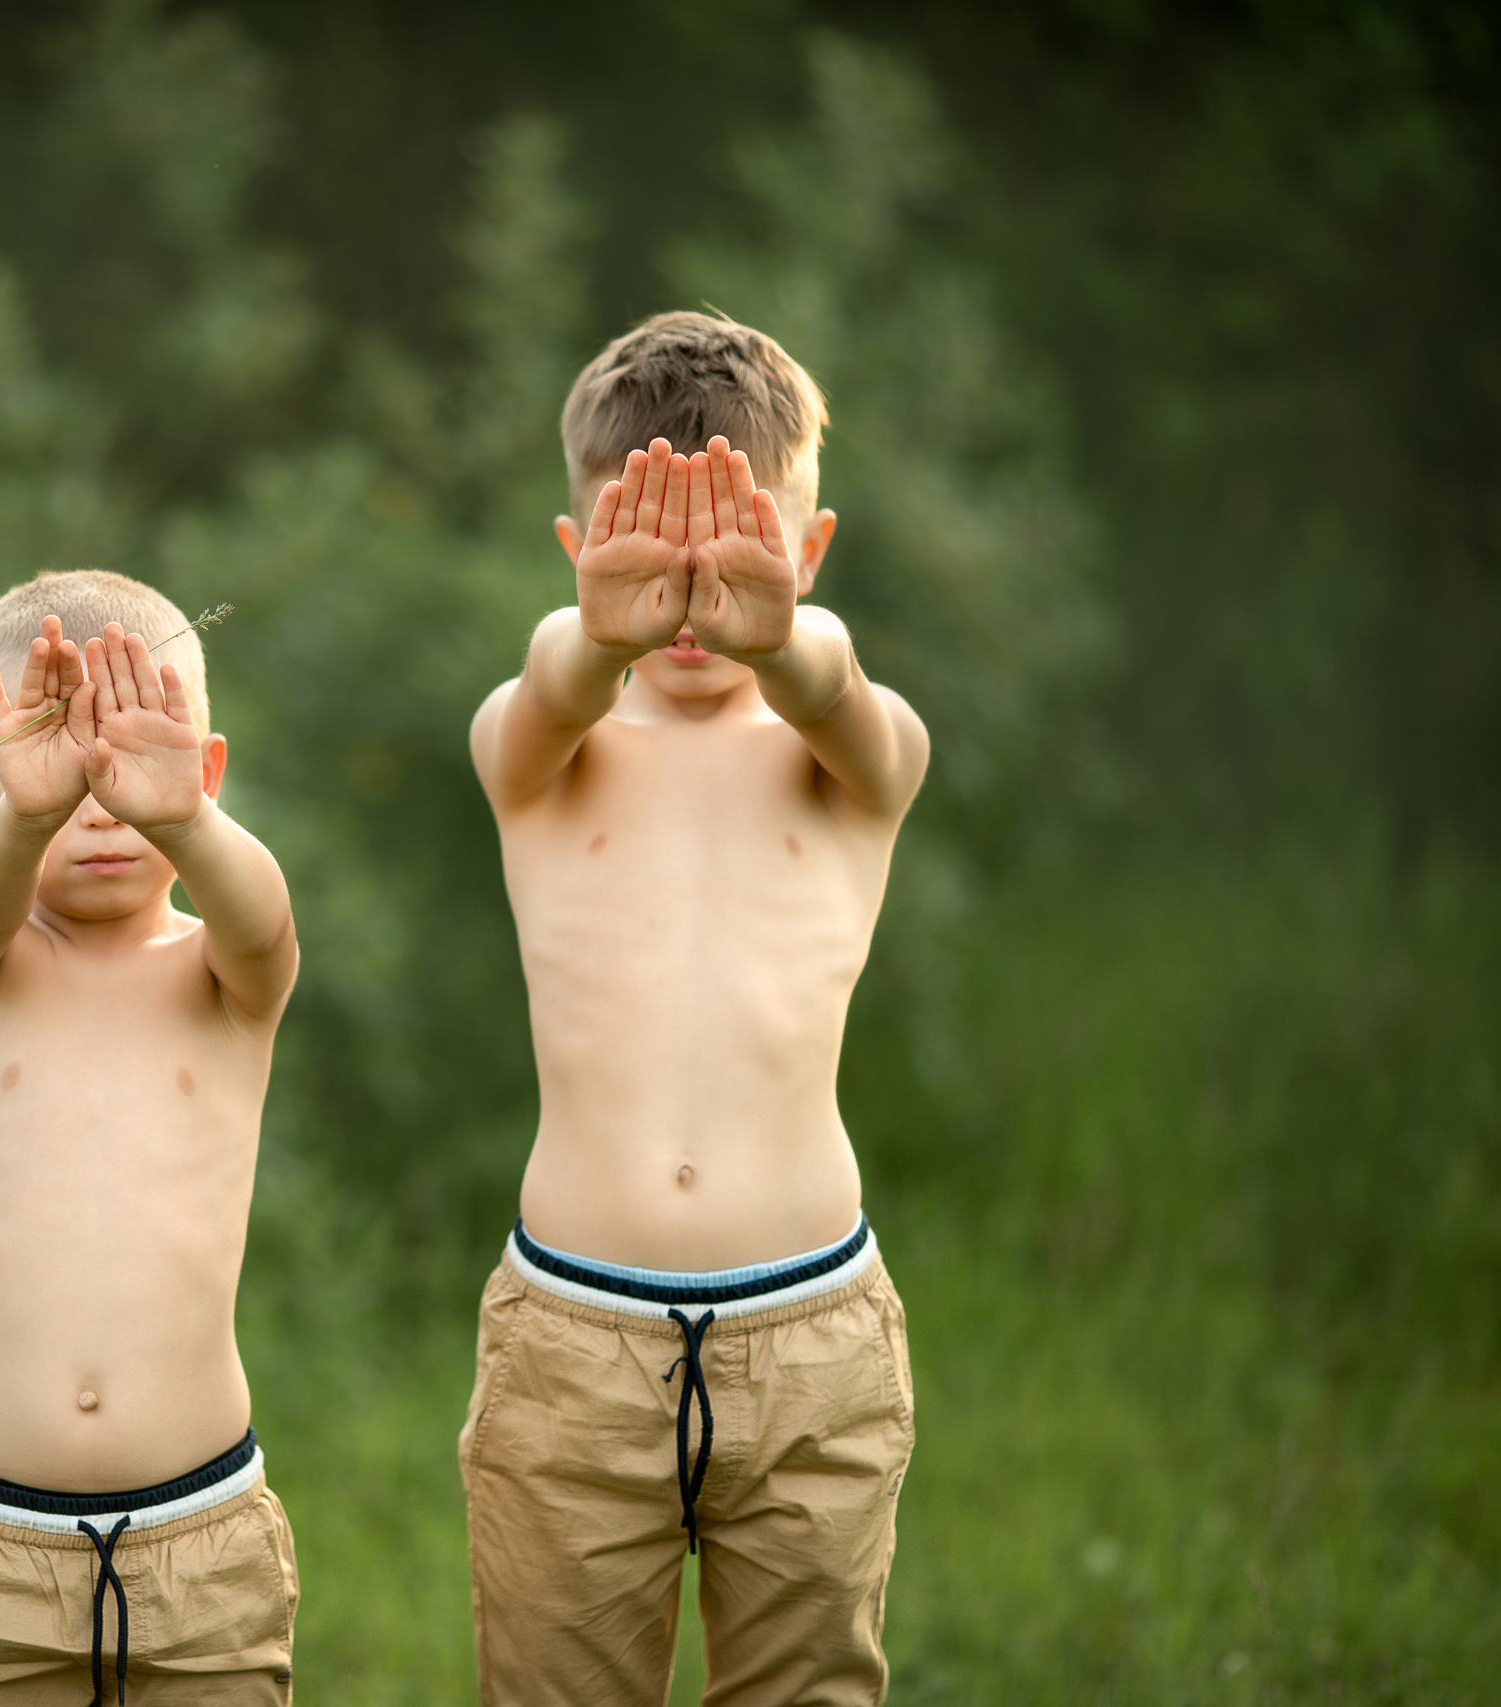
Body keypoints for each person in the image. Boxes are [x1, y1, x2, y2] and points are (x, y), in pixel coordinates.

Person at [461, 312, 932, 1705]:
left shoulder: (849, 752)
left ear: (809, 552)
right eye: (646, 551)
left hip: (813, 1345)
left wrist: (785, 640)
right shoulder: (539, 746)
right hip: (570, 1347)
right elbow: (550, 682)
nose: (690, 593)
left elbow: (842, 690)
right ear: (578, 555)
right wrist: (587, 635)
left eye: (735, 548)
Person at [0, 570, 300, 1705]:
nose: (100, 808)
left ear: (203, 773)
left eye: (129, 768)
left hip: (200, 1548)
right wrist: (25, 816)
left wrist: (187, 822)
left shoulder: (225, 976)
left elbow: (264, 916)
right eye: (60, 772)